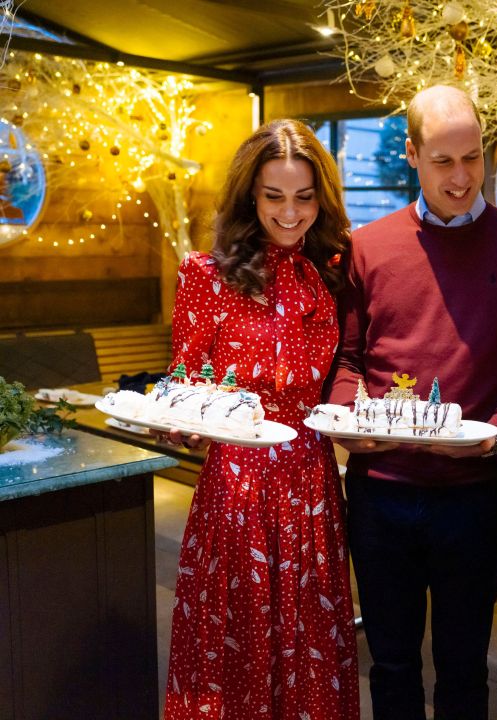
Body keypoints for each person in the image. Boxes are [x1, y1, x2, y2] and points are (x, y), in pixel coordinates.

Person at [325, 84, 497, 720]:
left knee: (464, 670)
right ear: (410, 153)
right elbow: (348, 360)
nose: (462, 178)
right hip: (381, 490)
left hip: (473, 494)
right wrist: (348, 419)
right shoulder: (368, 246)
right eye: (443, 161)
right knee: (392, 664)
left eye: (473, 158)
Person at [163, 119, 360, 719]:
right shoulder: (207, 275)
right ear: (251, 194)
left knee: (309, 646)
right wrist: (182, 420)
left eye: (304, 197)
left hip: (312, 484)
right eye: (274, 196)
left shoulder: (333, 273)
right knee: (236, 643)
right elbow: (181, 382)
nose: (290, 213)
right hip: (236, 488)